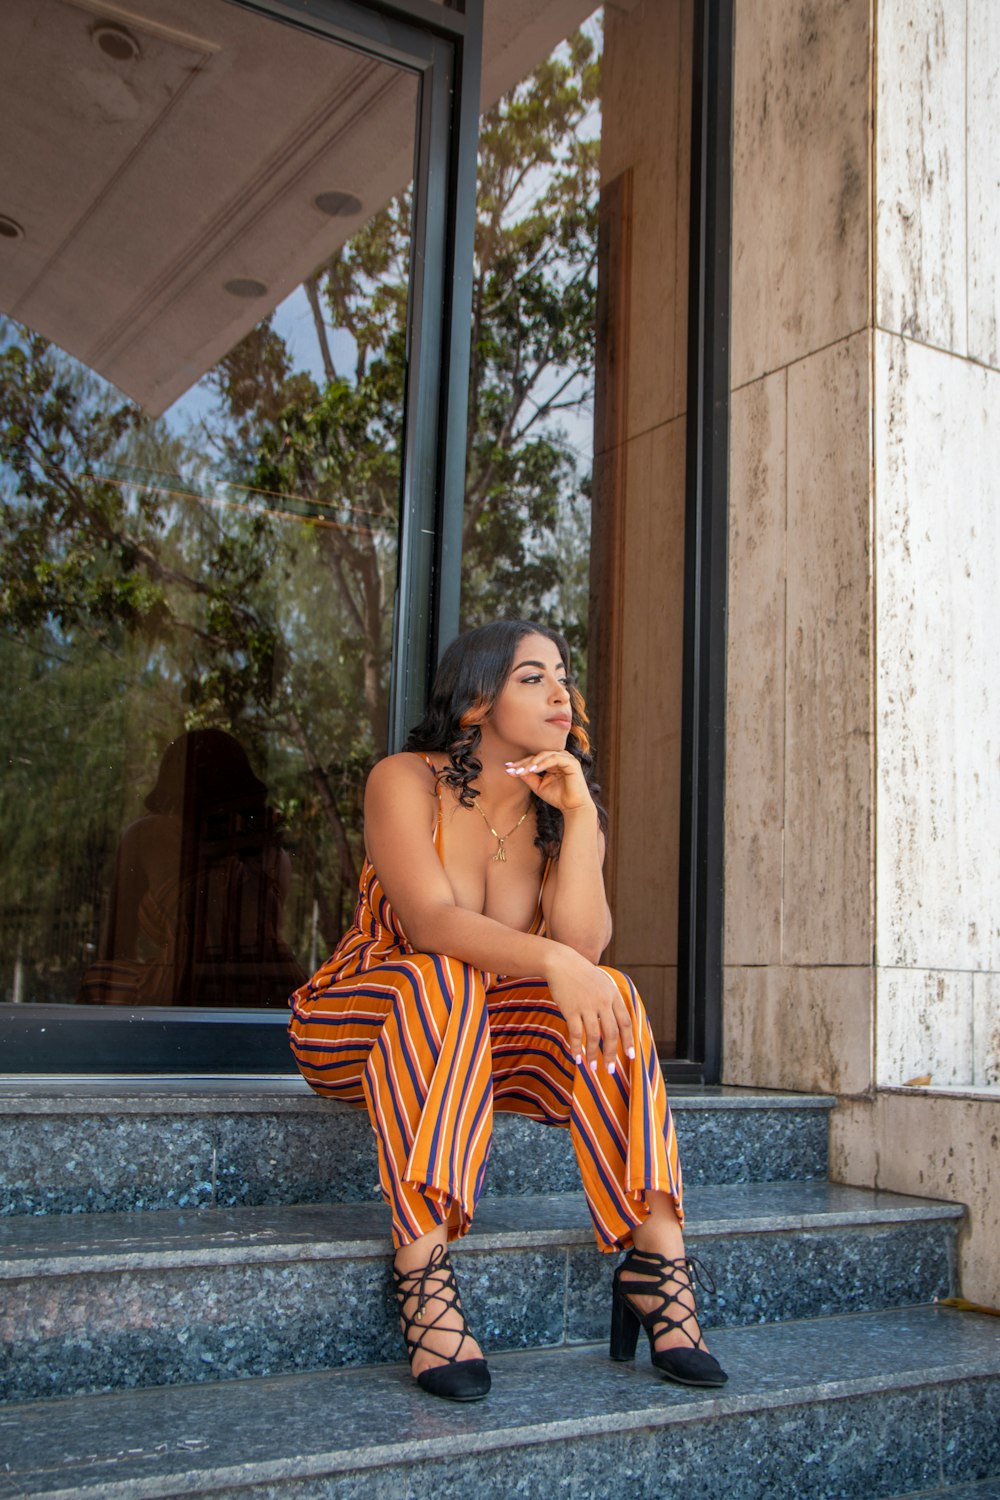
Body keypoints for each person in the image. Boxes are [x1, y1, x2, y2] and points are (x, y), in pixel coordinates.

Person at [288, 620, 727, 1401]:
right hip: (363, 1018)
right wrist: (554, 959)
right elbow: (432, 926)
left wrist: (583, 815)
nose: (563, 691)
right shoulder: (404, 780)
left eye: (564, 675)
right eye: (534, 676)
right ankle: (421, 1265)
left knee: (617, 994)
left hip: (483, 1048)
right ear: (475, 702)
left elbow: (584, 948)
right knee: (442, 976)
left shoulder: (557, 814)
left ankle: (657, 1258)